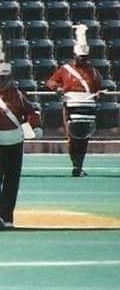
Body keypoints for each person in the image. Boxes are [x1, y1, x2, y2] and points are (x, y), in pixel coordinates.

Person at [0, 30, 41, 229]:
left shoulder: (18, 95)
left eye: (4, 78)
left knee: (12, 181)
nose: (1, 82)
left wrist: (35, 126)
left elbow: (31, 112)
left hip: (14, 142)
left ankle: (7, 216)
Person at [45, 24, 102, 177]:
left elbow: (97, 88)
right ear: (75, 56)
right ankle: (75, 164)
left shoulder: (94, 73)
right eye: (80, 57)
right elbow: (50, 82)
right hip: (71, 105)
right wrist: (58, 89)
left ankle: (79, 165)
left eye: (84, 58)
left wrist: (98, 94)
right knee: (72, 136)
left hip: (87, 106)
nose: (82, 60)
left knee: (84, 138)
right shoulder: (65, 70)